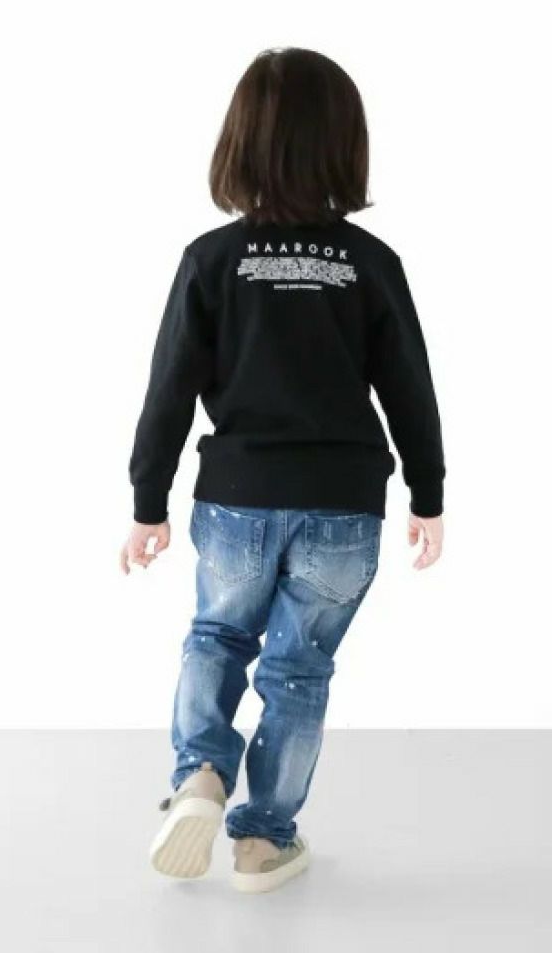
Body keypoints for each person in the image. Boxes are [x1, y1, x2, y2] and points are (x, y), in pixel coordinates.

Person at [121, 47, 445, 894]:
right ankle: (264, 842)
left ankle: (200, 775)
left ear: (238, 144)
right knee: (299, 670)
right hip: (343, 506)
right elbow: (409, 387)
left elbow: (169, 389)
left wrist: (148, 503)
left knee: (218, 636)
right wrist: (429, 491)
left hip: (238, 498)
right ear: (345, 145)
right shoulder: (370, 263)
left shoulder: (212, 259)